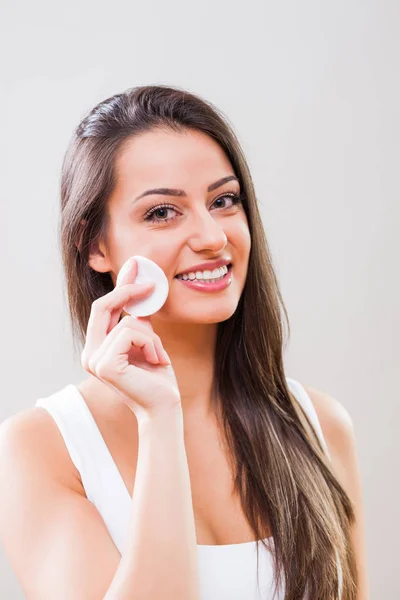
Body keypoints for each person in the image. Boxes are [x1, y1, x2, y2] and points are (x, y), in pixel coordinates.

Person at [0, 85, 368, 599]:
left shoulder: (320, 426)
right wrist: (158, 420)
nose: (213, 236)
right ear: (94, 244)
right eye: (162, 212)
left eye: (224, 201)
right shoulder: (41, 449)